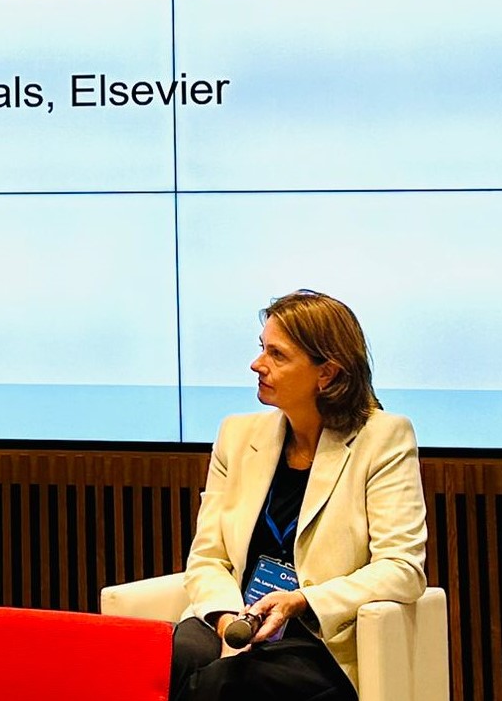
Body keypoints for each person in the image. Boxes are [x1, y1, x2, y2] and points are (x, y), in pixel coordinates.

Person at [170, 290, 427, 701]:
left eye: (277, 355)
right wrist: (230, 622)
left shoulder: (383, 438)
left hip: (317, 638)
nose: (258, 365)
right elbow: (208, 558)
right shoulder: (237, 437)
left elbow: (402, 568)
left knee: (223, 684)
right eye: (261, 349)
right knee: (175, 655)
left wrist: (301, 601)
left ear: (326, 374)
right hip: (234, 618)